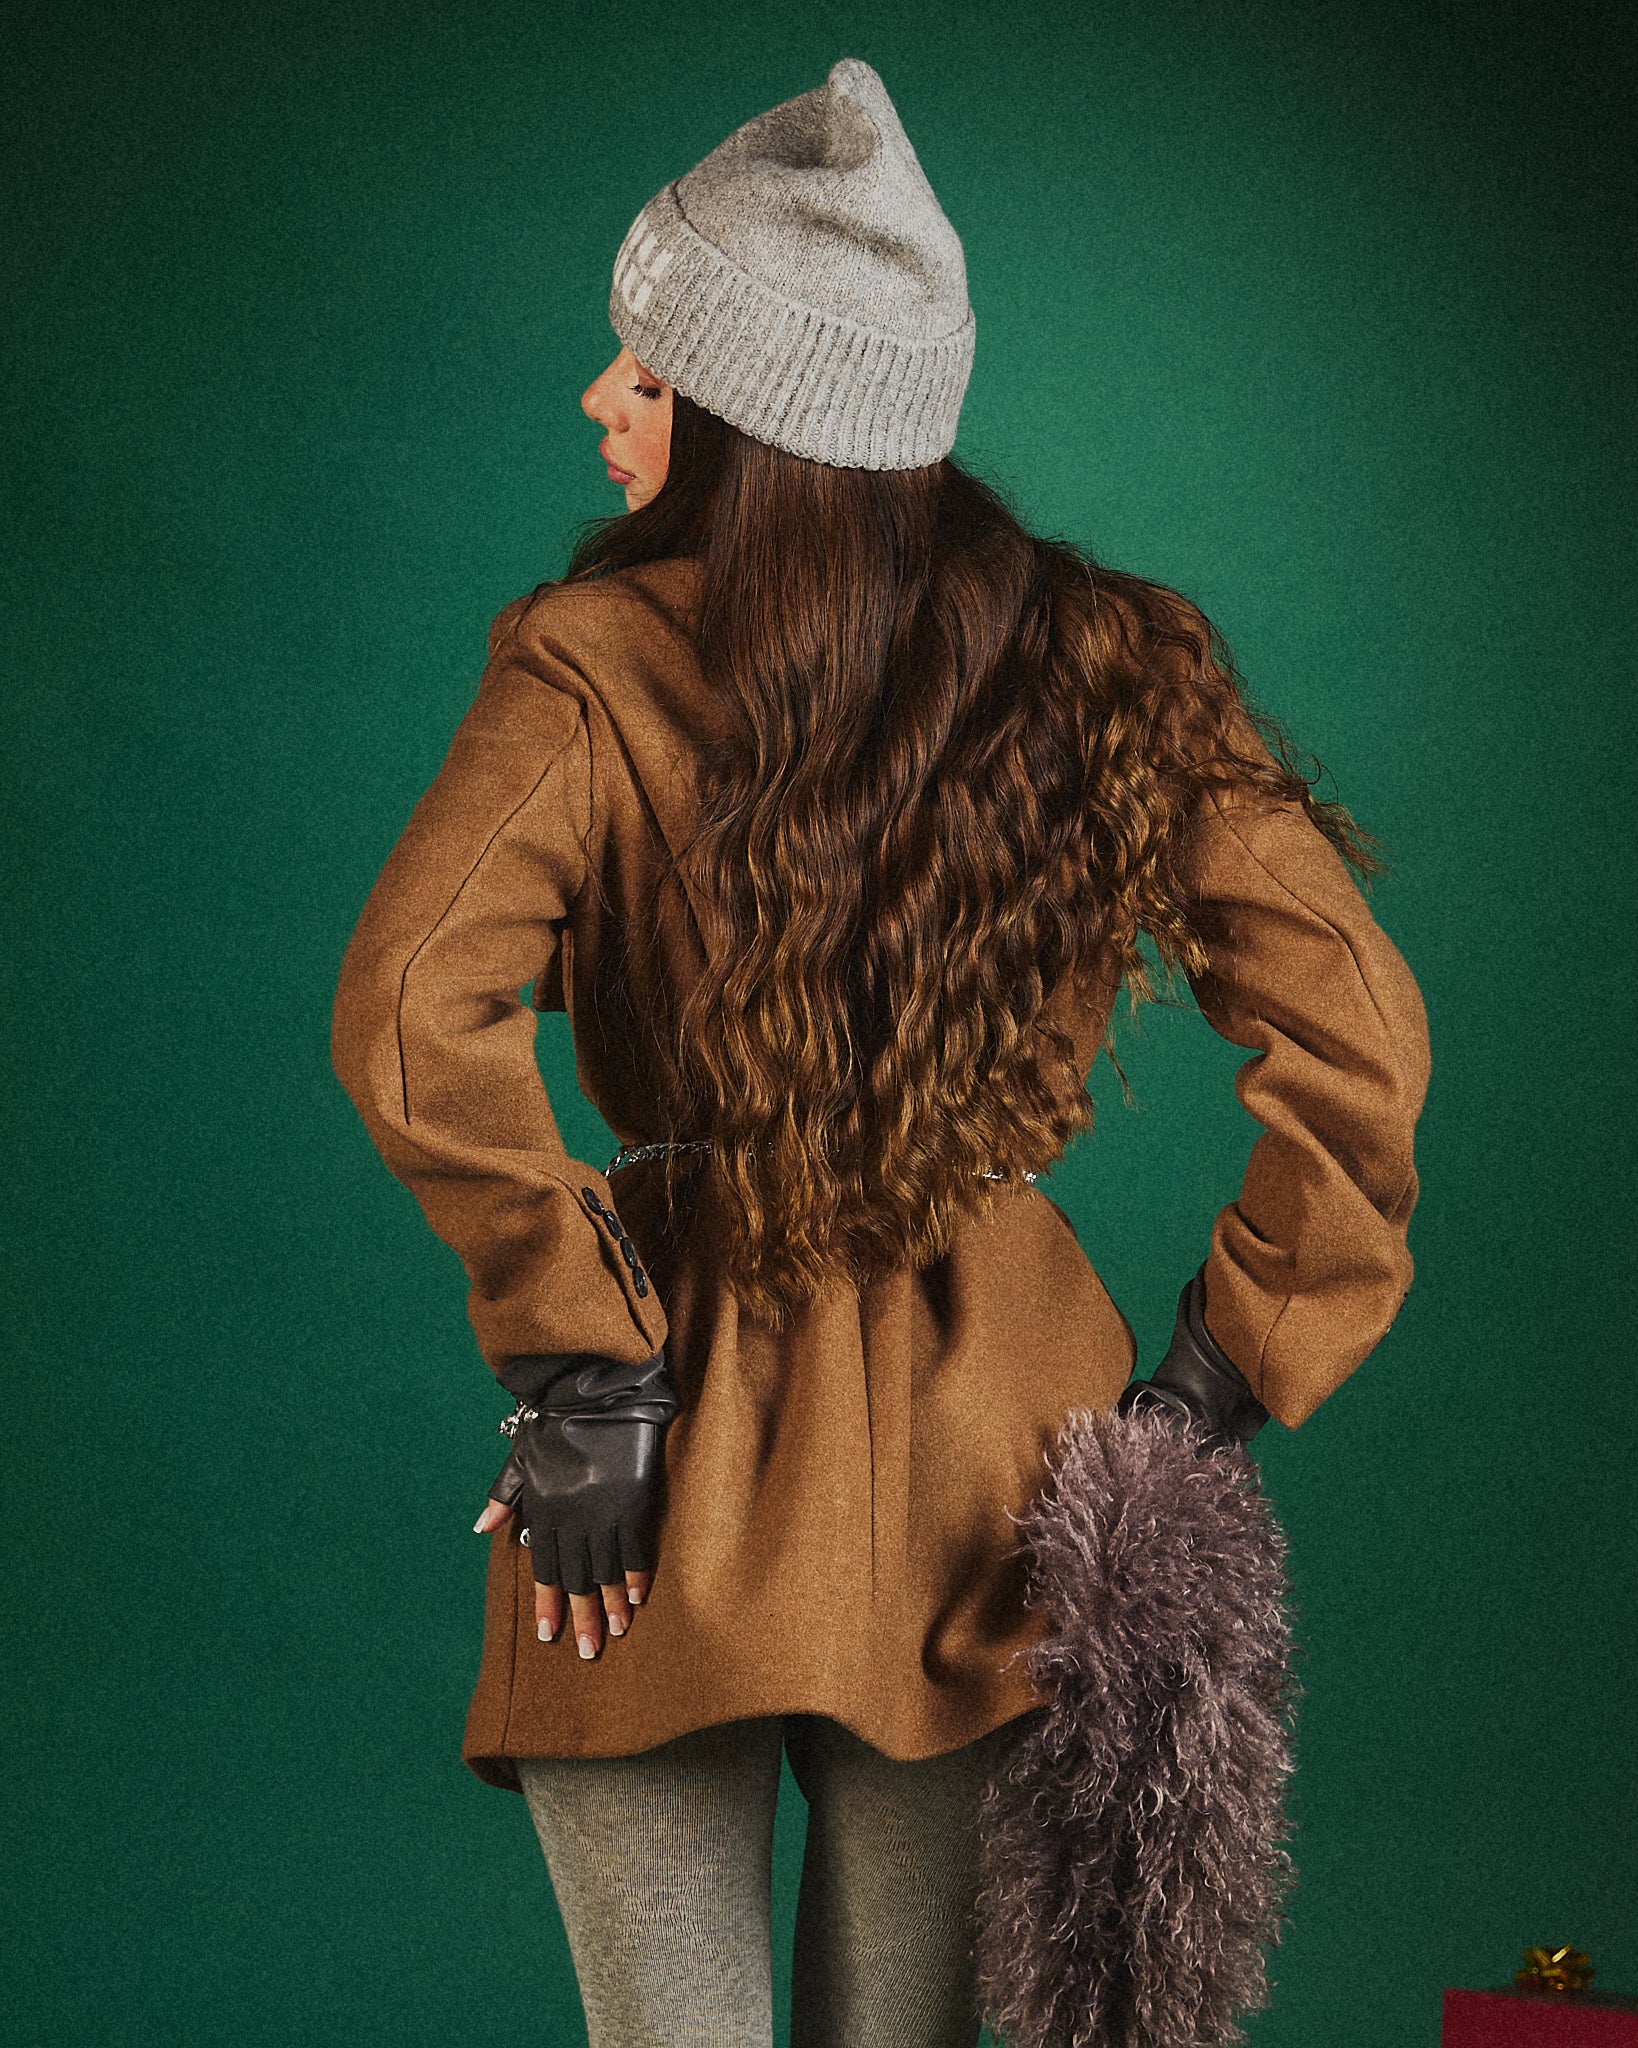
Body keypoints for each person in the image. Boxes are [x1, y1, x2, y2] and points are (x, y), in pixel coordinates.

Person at [331, 56, 1430, 2048]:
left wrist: (583, 1362)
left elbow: (413, 1006)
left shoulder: (589, 667)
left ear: (754, 422)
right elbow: (1353, 1010)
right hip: (996, 1443)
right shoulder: (1113, 661)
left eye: (648, 372)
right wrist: (1223, 1374)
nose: (598, 400)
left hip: (666, 1436)